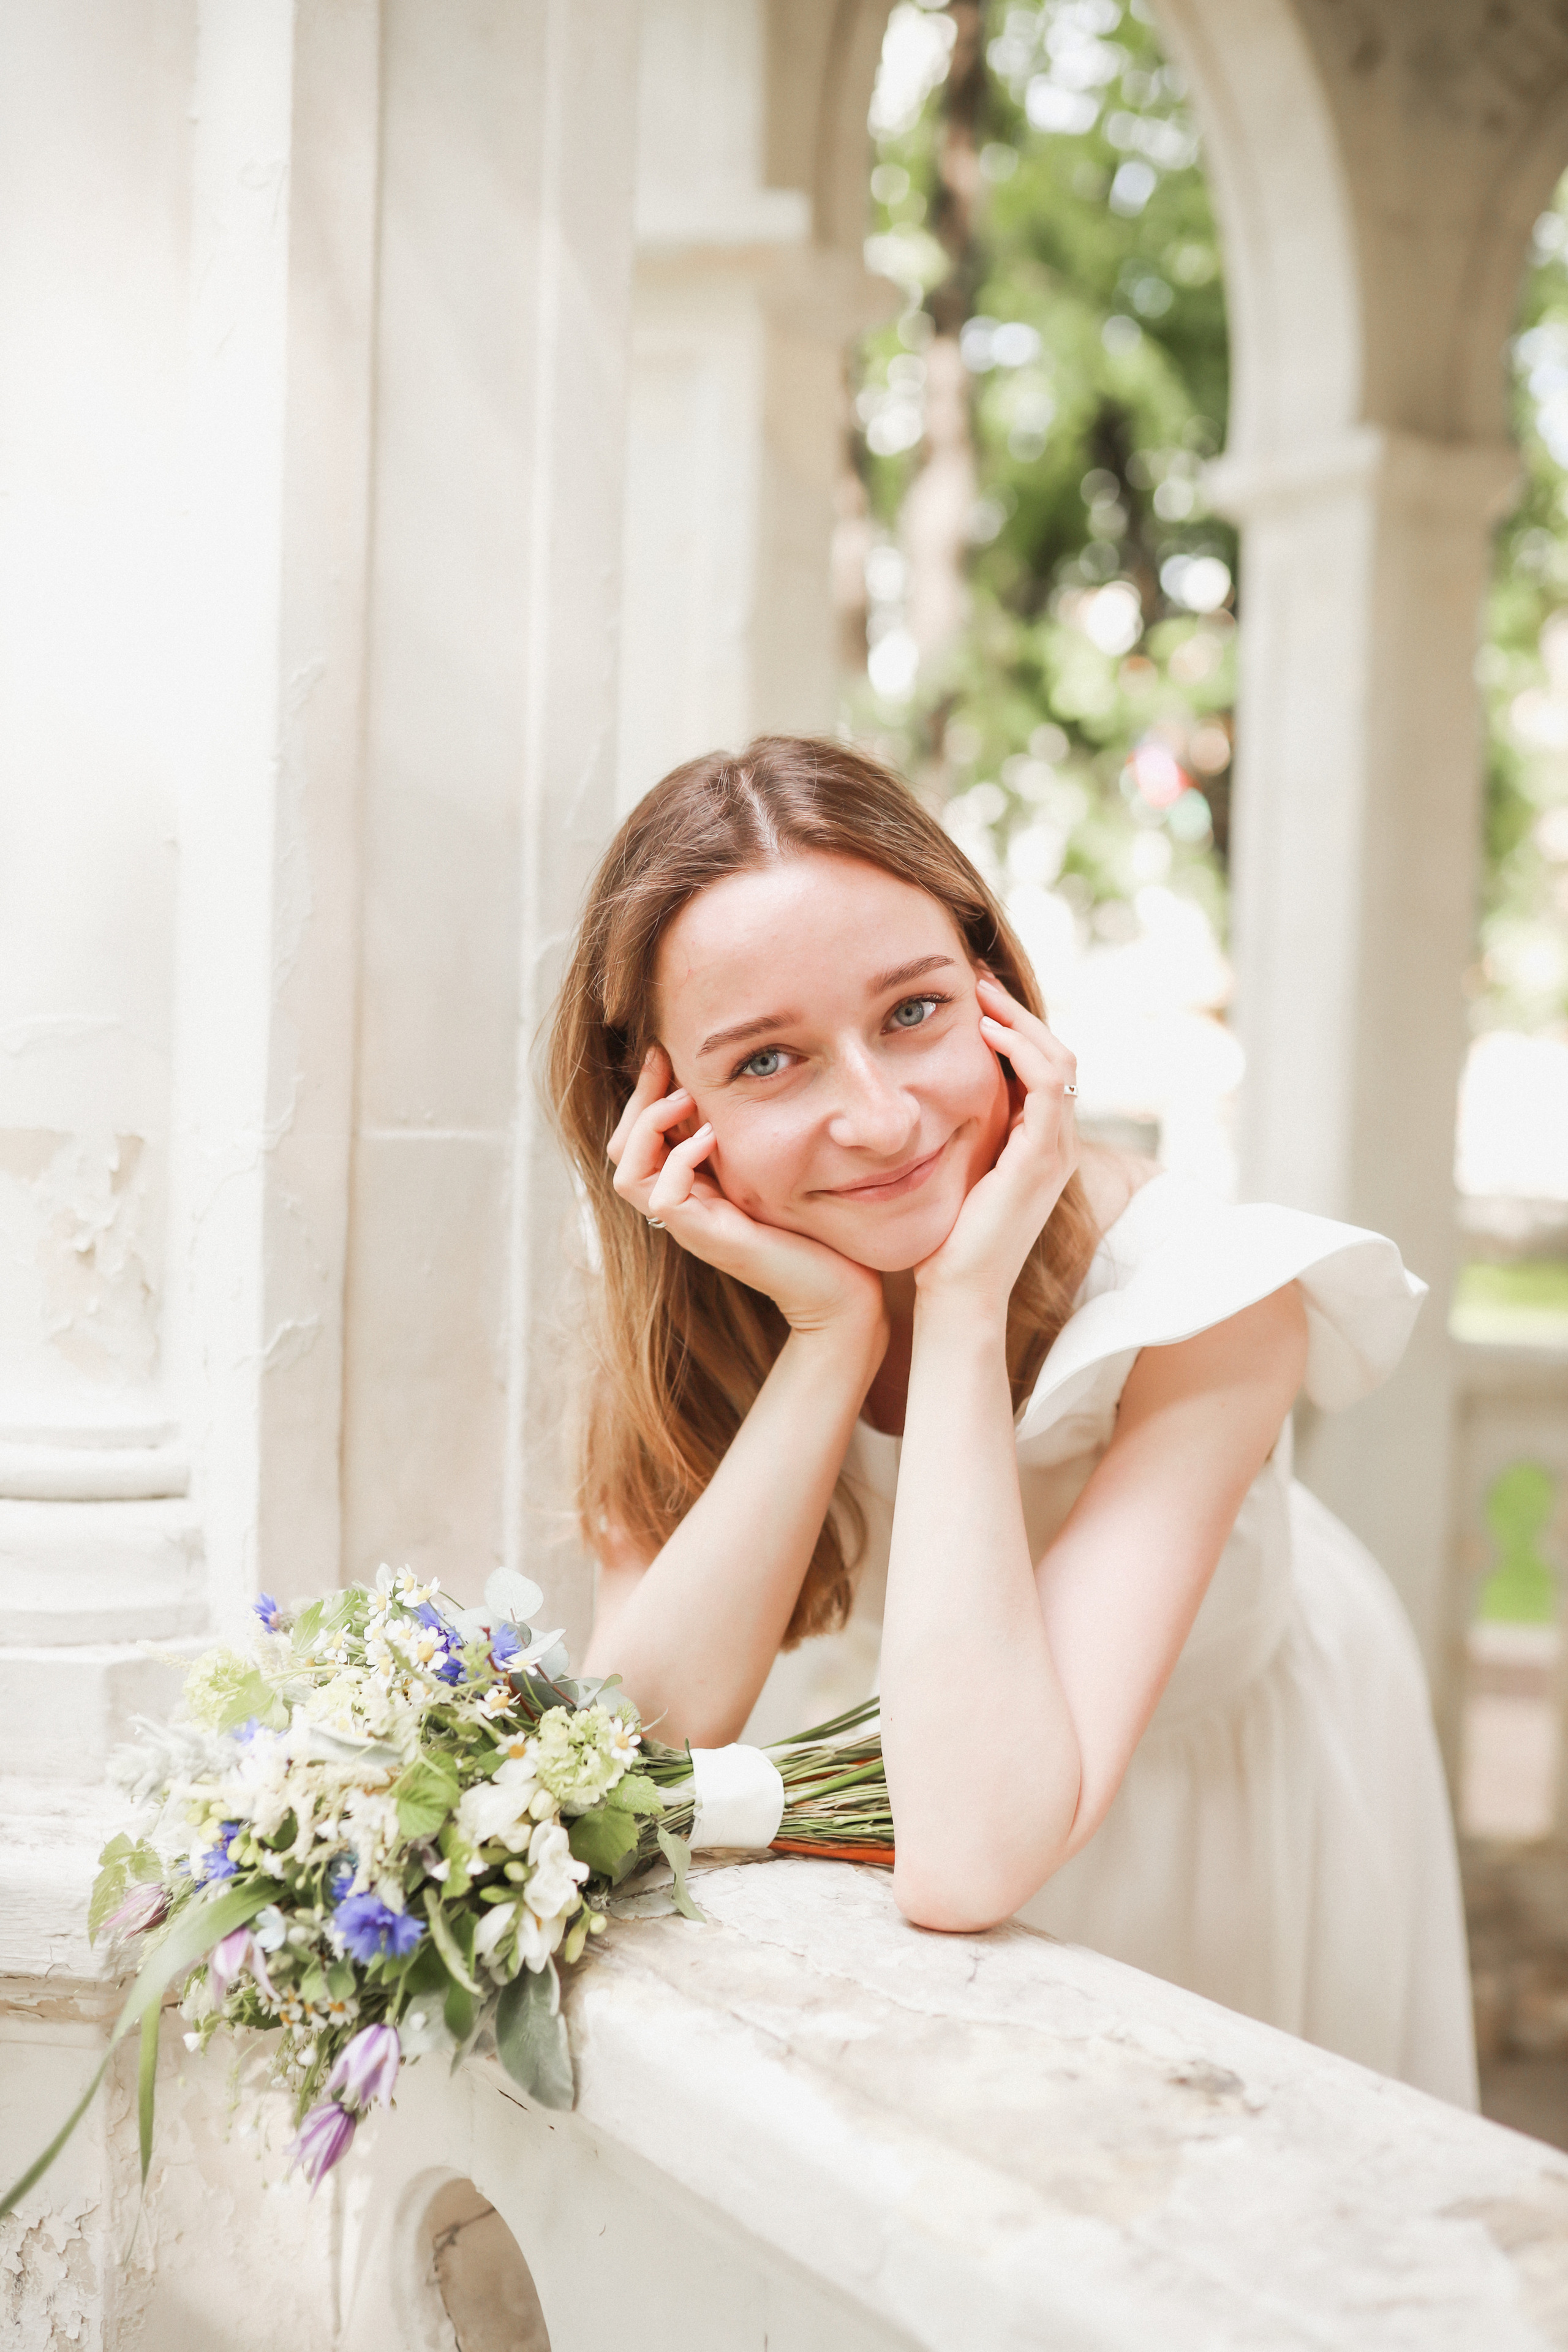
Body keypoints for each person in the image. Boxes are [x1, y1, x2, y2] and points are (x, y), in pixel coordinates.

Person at [546, 734, 1477, 2107]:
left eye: (912, 1013)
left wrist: (964, 1304)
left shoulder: (1211, 1293)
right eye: (765, 1063)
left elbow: (968, 1855)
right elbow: (626, 1765)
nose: (874, 1117)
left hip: (1209, 1792)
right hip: (932, 1754)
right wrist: (829, 1336)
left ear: (996, 994)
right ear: (659, 1106)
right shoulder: (706, 1281)